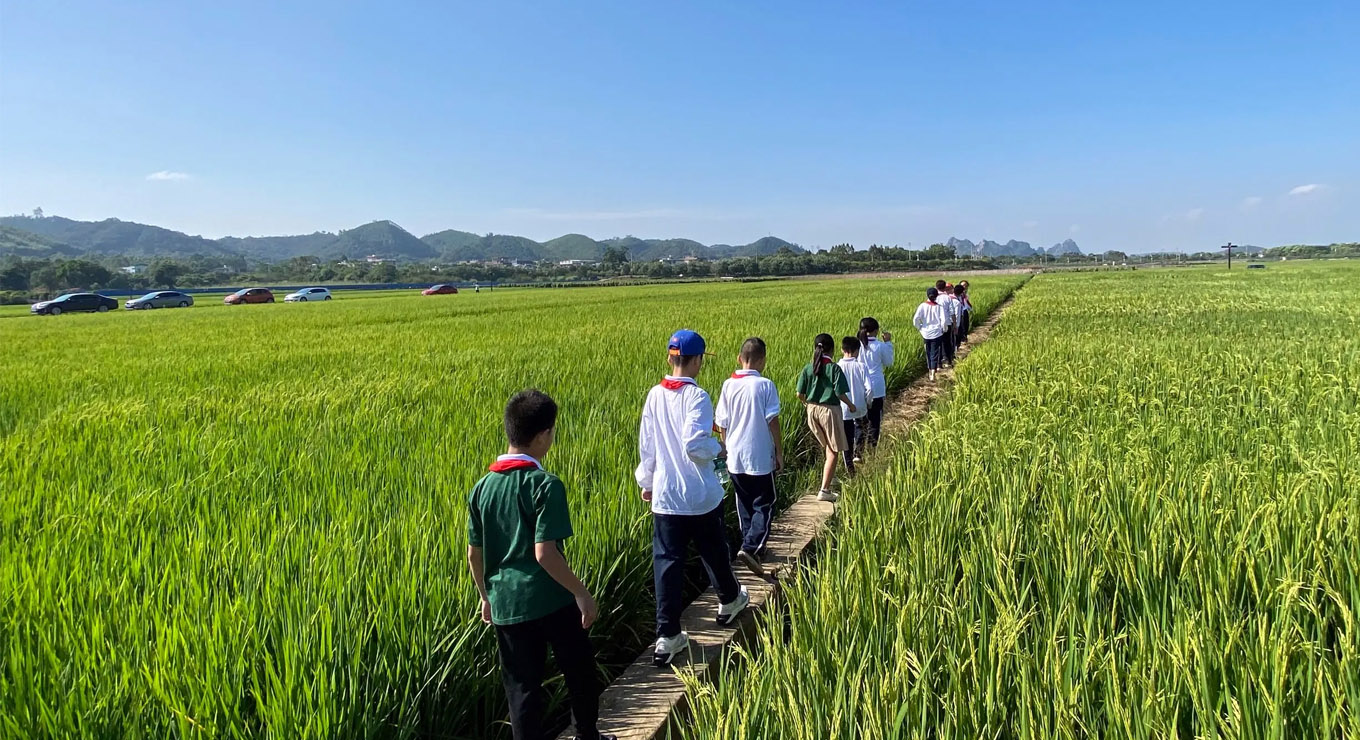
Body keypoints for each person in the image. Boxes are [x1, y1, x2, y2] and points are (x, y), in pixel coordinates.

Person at [467, 390, 616, 740]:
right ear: (542, 436)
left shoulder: (482, 489)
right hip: (551, 597)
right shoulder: (545, 485)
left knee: (522, 691)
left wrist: (485, 597)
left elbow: (475, 554)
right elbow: (545, 553)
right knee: (579, 669)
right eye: (552, 431)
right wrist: (581, 593)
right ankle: (587, 735)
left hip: (506, 604)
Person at [636, 329, 750, 667]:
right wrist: (720, 447)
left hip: (667, 497)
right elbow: (694, 443)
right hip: (698, 494)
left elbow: (648, 445)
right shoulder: (697, 397)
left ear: (671, 357)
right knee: (713, 550)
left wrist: (647, 481)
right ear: (697, 359)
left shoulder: (655, 395)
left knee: (667, 564)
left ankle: (667, 636)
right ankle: (729, 599)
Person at [714, 337, 783, 579]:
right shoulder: (765, 385)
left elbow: (721, 423)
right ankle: (751, 547)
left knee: (743, 502)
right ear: (762, 360)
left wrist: (725, 447)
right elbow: (772, 420)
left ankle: (751, 546)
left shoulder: (728, 385)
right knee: (765, 502)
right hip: (760, 455)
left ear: (739, 358)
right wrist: (779, 451)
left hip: (735, 456)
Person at [796, 333, 857, 502]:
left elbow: (799, 393)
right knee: (833, 450)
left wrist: (807, 404)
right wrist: (851, 405)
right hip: (829, 411)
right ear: (832, 349)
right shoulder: (833, 368)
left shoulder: (809, 368)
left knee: (827, 446)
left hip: (812, 410)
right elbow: (839, 392)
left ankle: (831, 477)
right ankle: (824, 490)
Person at [855, 317, 894, 450]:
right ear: (876, 331)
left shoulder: (856, 346)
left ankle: (858, 451)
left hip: (859, 386)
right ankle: (872, 449)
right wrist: (888, 343)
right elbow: (889, 362)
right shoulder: (880, 346)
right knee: (874, 420)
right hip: (876, 387)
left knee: (860, 420)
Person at [837, 336, 873, 469]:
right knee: (860, 429)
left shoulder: (837, 367)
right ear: (857, 351)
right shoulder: (861, 366)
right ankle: (858, 453)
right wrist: (868, 403)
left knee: (846, 437)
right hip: (860, 407)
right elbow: (869, 389)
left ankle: (849, 464)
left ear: (842, 349)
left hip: (843, 408)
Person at [914, 288, 948, 381]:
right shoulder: (939, 307)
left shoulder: (922, 306)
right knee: (935, 352)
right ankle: (933, 372)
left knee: (928, 352)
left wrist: (920, 327)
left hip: (925, 333)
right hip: (937, 333)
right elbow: (944, 321)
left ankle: (930, 370)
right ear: (937, 296)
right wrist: (944, 330)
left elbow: (916, 319)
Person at [935, 280, 958, 367]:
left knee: (938, 343)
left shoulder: (933, 297)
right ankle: (948, 360)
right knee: (947, 342)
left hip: (937, 324)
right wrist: (955, 325)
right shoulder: (947, 298)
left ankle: (938, 363)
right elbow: (952, 313)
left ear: (936, 287)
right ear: (945, 287)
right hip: (947, 323)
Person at [954, 283, 972, 349]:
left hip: (963, 311)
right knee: (959, 329)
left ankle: (963, 338)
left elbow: (967, 303)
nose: (964, 287)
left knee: (965, 325)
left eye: (965, 285)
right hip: (957, 314)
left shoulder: (965, 295)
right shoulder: (954, 297)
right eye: (963, 285)